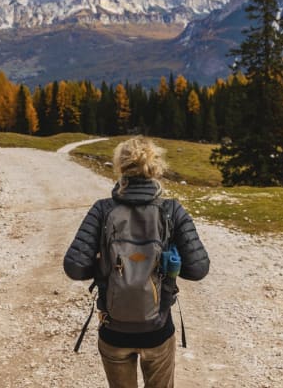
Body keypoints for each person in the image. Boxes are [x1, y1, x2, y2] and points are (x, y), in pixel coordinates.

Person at [64, 136, 210, 388]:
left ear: (121, 167)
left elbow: (74, 268)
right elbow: (198, 269)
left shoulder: (102, 210)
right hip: (158, 329)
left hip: (114, 330)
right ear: (155, 168)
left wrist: (103, 267)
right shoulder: (171, 210)